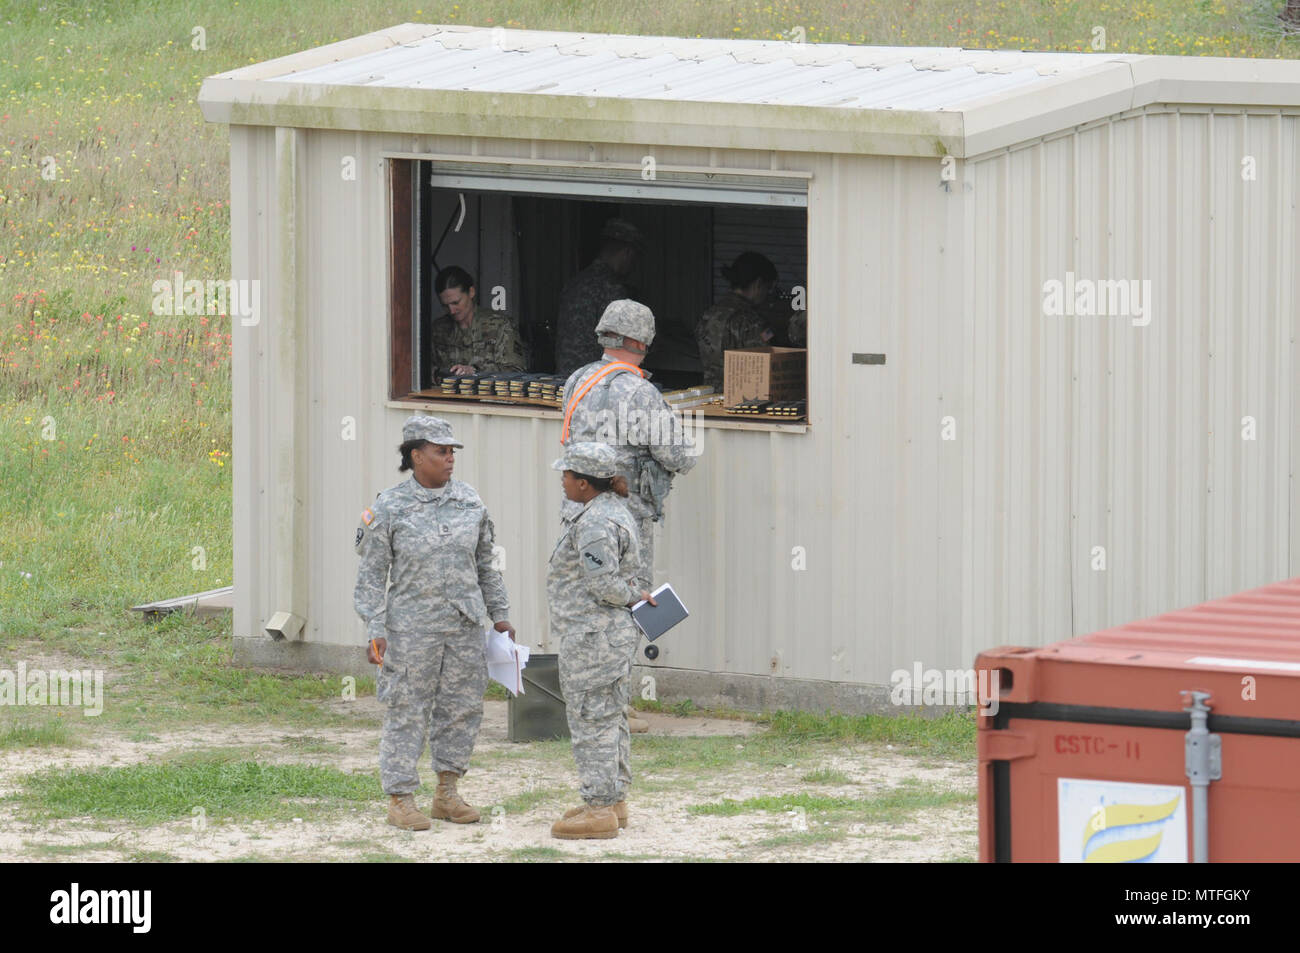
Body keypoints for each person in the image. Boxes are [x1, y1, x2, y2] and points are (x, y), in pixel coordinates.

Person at [354, 415, 515, 831]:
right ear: (415, 455)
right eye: (441, 451)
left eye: (452, 452)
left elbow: (486, 566)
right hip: (410, 630)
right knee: (407, 711)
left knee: (461, 711)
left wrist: (499, 616)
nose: (449, 459)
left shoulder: (470, 501)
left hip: (463, 626)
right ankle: (400, 798)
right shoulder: (388, 506)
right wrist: (375, 629)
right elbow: (372, 576)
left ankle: (447, 793)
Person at [560, 299, 700, 734]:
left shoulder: (577, 381)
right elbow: (677, 455)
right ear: (641, 341)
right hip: (627, 516)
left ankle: (589, 700)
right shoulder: (640, 392)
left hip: (577, 511)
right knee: (629, 603)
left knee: (588, 603)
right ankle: (616, 706)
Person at [547, 442, 654, 839]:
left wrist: (631, 595)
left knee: (592, 719)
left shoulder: (594, 523)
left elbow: (604, 583)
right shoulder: (614, 511)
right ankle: (614, 800)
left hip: (592, 636)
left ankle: (598, 810)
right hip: (607, 636)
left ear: (584, 483)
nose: (562, 480)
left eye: (567, 474)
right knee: (611, 717)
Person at [553, 219, 645, 377]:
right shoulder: (611, 289)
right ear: (627, 253)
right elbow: (624, 341)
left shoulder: (575, 282)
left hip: (566, 378)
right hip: (595, 380)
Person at [695, 251, 778, 391]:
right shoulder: (752, 320)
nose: (767, 295)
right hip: (742, 398)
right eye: (768, 288)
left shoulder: (709, 314)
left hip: (709, 395)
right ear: (758, 284)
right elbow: (767, 361)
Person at [430, 266, 526, 378]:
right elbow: (425, 373)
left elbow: (516, 372)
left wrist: (476, 371)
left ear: (471, 292)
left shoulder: (500, 325)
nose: (451, 310)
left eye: (456, 302)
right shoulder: (438, 330)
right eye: (445, 305)